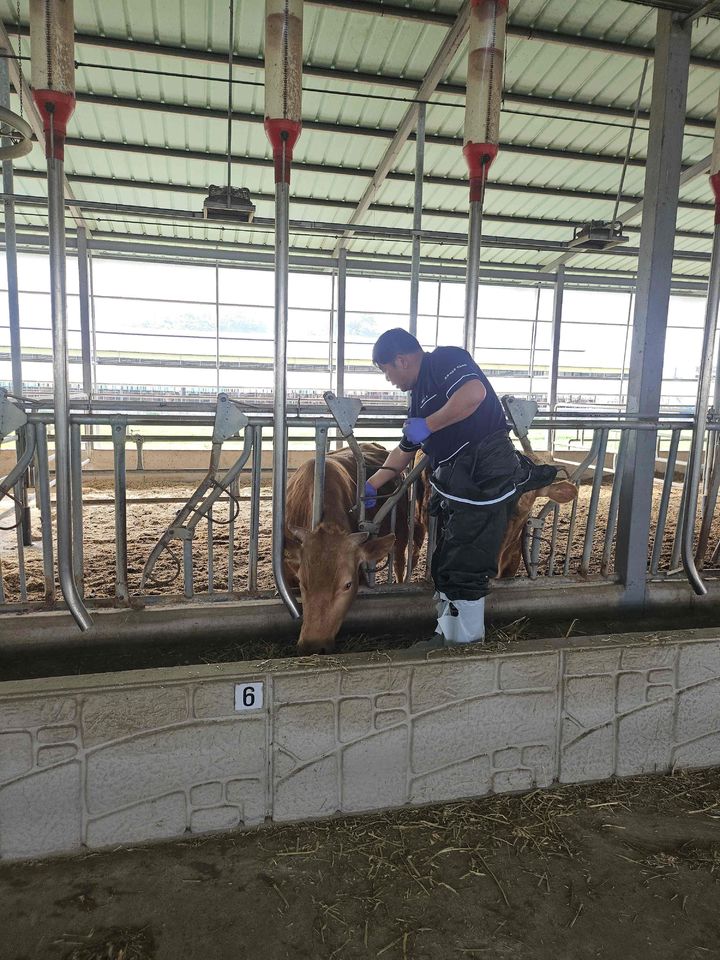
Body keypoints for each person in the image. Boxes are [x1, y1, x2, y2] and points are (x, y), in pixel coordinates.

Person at [365, 328, 557, 648]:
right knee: (447, 562)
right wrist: (371, 485)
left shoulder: (445, 359)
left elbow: (472, 394)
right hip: (457, 483)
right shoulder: (418, 399)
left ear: (401, 360)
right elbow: (404, 451)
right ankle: (446, 635)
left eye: (386, 372)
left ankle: (465, 646)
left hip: (484, 474)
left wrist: (429, 424)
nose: (389, 380)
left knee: (467, 564)